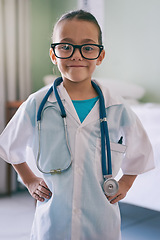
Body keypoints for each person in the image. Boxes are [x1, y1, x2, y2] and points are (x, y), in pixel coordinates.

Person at [0, 10, 154, 240]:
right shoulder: (37, 104)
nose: (76, 55)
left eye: (88, 47)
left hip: (101, 223)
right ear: (53, 54)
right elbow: (9, 146)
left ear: (100, 56)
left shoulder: (117, 108)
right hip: (53, 223)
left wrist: (126, 183)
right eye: (66, 46)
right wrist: (30, 180)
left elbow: (142, 152)